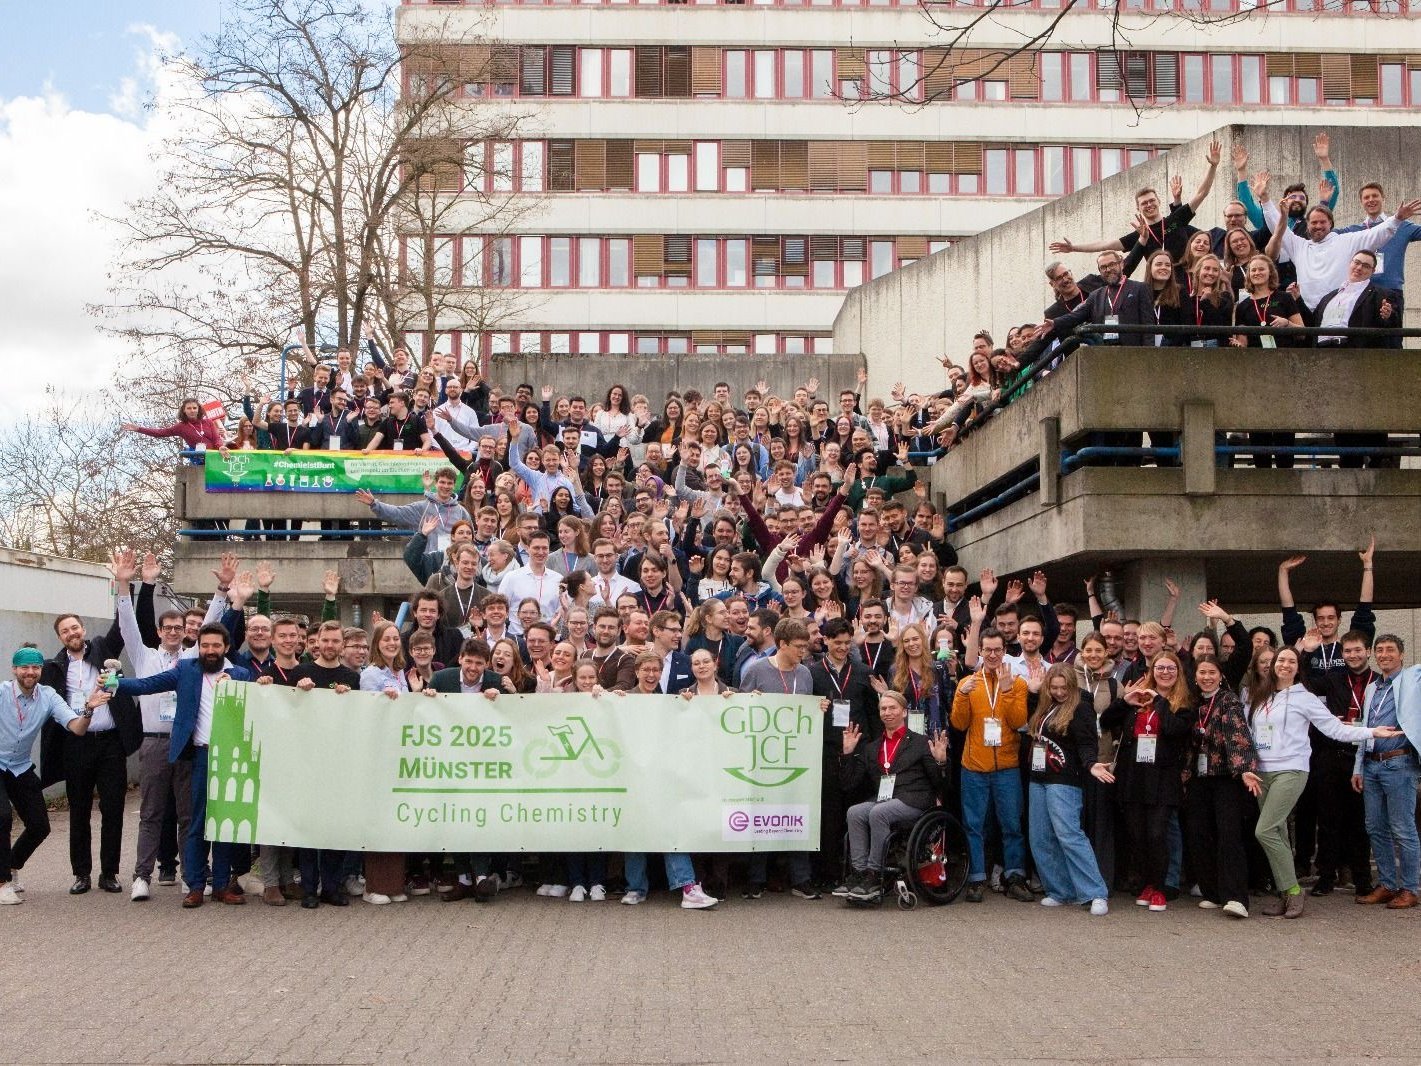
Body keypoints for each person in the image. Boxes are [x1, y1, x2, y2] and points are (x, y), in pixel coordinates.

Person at [1244, 646, 1396, 919]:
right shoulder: (1260, 696)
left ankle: (1292, 891)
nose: (1285, 665)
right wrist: (1247, 766)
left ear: (1298, 667)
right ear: (1273, 664)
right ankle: (1285, 892)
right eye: (1281, 660)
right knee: (1276, 832)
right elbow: (1250, 734)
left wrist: (1371, 732)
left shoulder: (1306, 698)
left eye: (1292, 661)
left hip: (1291, 770)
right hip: (1262, 772)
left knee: (1264, 830)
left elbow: (1334, 729)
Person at [112, 625, 256, 908]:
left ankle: (222, 886)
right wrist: (115, 683)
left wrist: (238, 682)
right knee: (197, 823)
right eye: (205, 646)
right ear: (198, 646)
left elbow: (254, 689)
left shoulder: (239, 674)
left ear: (226, 648)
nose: (210, 651)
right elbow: (148, 684)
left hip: (229, 758)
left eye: (216, 646)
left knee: (224, 824)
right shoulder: (187, 669)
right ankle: (196, 885)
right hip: (200, 757)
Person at [39, 609, 139, 896]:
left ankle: (109, 873)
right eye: (65, 631)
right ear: (60, 637)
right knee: (79, 810)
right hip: (76, 744)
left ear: (83, 629)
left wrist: (125, 585)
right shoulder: (55, 667)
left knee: (112, 809)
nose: (72, 634)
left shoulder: (103, 651)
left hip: (110, 743)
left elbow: (122, 627)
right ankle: (81, 873)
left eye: (75, 628)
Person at [1, 645, 112, 905]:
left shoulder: (48, 696)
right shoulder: (3, 692)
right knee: (2, 817)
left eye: (35, 667)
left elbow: (77, 728)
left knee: (40, 826)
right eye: (25, 667)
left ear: (41, 670)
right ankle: (3, 882)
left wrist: (89, 708)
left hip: (19, 766)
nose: (30, 672)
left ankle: (12, 864)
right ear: (14, 669)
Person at [111, 549, 191, 902]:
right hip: (154, 742)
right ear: (159, 631)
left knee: (188, 815)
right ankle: (142, 876)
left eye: (179, 627)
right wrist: (124, 584)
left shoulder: (192, 659)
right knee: (152, 813)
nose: (173, 632)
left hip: (187, 742)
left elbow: (217, 622)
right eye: (168, 627)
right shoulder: (145, 657)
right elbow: (127, 623)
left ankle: (191, 874)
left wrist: (222, 594)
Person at [1095, 653, 1196, 913]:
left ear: (1178, 672)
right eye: (1159, 667)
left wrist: (1159, 701)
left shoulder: (1183, 702)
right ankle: (1146, 884)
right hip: (1133, 776)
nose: (1164, 672)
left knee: (1157, 834)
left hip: (1163, 778)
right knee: (1137, 835)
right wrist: (1124, 702)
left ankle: (1161, 888)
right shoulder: (1138, 697)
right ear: (1152, 670)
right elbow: (1106, 722)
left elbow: (1175, 730)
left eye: (1170, 668)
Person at [838, 690, 947, 903]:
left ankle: (874, 874)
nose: (887, 712)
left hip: (914, 800)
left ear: (904, 712)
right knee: (855, 812)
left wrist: (941, 762)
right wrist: (847, 754)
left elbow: (940, 783)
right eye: (883, 709)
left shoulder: (920, 742)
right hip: (885, 799)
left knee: (879, 812)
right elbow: (849, 784)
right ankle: (859, 873)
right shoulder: (872, 748)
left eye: (892, 708)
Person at [738, 618, 820, 900]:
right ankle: (755, 878)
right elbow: (741, 707)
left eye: (805, 647)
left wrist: (820, 708)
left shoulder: (806, 674)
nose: (803, 652)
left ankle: (802, 878)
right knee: (762, 815)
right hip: (762, 756)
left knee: (798, 814)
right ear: (781, 644)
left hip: (796, 755)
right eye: (798, 647)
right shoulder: (757, 670)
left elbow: (808, 713)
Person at [950, 628, 1031, 903]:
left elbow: (1018, 721)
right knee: (974, 825)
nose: (993, 655)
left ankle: (1015, 876)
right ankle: (976, 879)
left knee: (1011, 825)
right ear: (980, 652)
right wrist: (961, 695)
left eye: (998, 650)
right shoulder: (968, 683)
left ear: (1005, 651)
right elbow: (959, 724)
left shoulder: (1017, 683)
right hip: (973, 766)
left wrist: (1007, 692)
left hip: (1007, 766)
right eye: (988, 650)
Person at [1025, 664, 1110, 915]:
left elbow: (1086, 743)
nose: (1059, 692)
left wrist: (1091, 764)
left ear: (1072, 686)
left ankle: (1095, 892)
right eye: (1054, 687)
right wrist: (1032, 692)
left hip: (1064, 780)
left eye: (1064, 687)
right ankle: (1060, 890)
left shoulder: (1081, 708)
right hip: (1037, 778)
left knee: (1069, 836)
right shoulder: (1044, 706)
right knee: (1040, 837)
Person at [1184, 655, 1262, 919]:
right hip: (1198, 777)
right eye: (1202, 672)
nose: (1206, 677)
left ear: (1221, 675)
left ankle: (1236, 897)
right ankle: (1213, 892)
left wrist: (1244, 769)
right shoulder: (1191, 702)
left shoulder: (1229, 701)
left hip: (1225, 776)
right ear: (1195, 676)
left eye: (1212, 672)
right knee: (1199, 833)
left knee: (1229, 835)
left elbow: (1237, 735)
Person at [289, 621, 361, 908]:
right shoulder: (301, 673)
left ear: (341, 644)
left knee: (333, 826)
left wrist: (349, 699)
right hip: (307, 760)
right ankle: (309, 889)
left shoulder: (351, 678)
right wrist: (298, 691)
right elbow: (286, 710)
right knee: (308, 828)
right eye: (325, 641)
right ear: (316, 642)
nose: (330, 646)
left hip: (338, 762)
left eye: (335, 641)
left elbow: (358, 716)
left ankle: (331, 887)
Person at [1352, 634, 1421, 910]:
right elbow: (1364, 730)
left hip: (1399, 763)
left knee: (1403, 829)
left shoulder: (1413, 680)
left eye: (1390, 650)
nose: (1384, 655)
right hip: (1371, 763)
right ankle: (1388, 884)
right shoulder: (1372, 689)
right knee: (1375, 827)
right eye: (1379, 650)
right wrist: (1358, 766)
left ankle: (1410, 887)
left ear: (1402, 655)